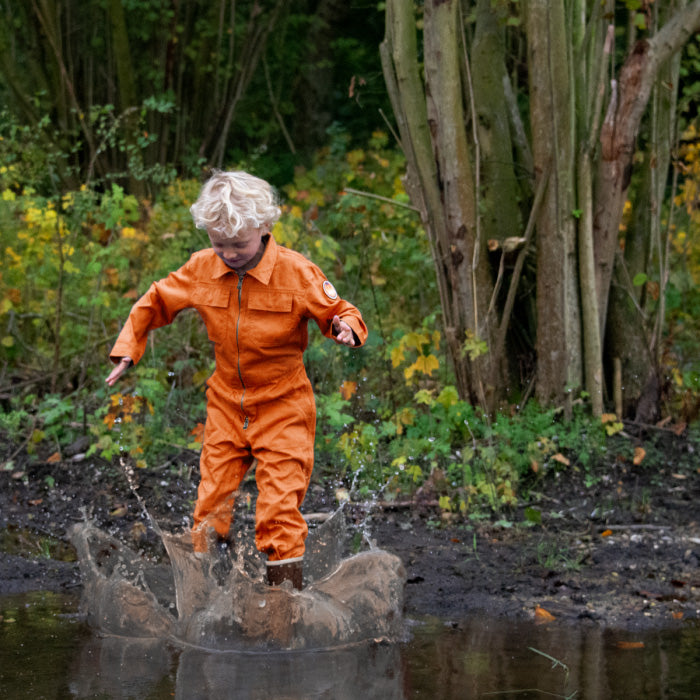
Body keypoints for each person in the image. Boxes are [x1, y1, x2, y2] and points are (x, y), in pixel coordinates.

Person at [105, 170, 367, 589]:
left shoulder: (296, 273)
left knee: (278, 511)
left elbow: (340, 310)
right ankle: (207, 604)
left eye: (238, 244)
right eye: (218, 243)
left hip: (284, 405)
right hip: (226, 404)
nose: (228, 253)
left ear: (264, 228)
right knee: (210, 507)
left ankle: (285, 612)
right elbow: (156, 300)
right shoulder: (202, 268)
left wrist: (347, 329)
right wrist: (126, 350)